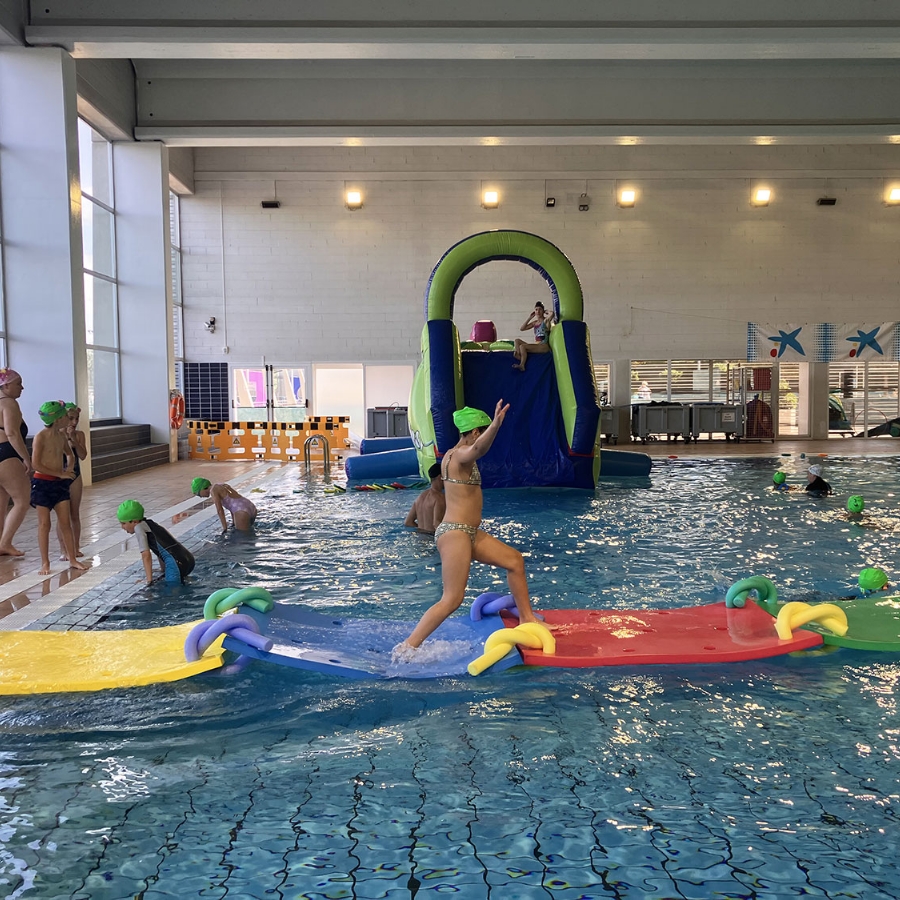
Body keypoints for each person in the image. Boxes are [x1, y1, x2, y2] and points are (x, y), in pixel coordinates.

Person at [393, 402, 539, 660]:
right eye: (480, 432)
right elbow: (479, 448)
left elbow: (478, 449)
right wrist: (496, 424)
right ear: (473, 433)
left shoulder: (457, 454)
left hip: (469, 532)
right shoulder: (459, 455)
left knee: (514, 561)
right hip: (455, 533)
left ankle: (527, 619)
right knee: (452, 598)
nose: (481, 437)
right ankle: (408, 646)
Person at [30, 400, 86, 576]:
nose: (68, 421)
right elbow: (35, 464)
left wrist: (68, 468)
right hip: (42, 484)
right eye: (64, 417)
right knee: (44, 524)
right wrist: (59, 473)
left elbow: (70, 455)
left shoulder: (62, 437)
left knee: (65, 523)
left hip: (58, 484)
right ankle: (45, 562)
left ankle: (72, 559)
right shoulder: (41, 436)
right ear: (57, 419)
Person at [117, 499, 195, 584]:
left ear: (135, 521)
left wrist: (149, 581)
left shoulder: (138, 528)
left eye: (123, 523)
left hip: (175, 564)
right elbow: (162, 548)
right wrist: (163, 570)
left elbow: (146, 555)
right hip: (188, 559)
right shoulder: (150, 523)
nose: (122, 527)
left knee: (171, 593)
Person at [0, 368, 33, 557]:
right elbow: (12, 433)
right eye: (18, 383)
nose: (22, 387)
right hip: (6, 454)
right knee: (22, 500)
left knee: (2, 500)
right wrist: (26, 458)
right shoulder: (9, 403)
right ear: (6, 386)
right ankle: (5, 543)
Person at [57, 402, 86, 560]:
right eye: (71, 418)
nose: (74, 422)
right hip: (59, 476)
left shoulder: (79, 434)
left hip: (75, 475)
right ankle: (63, 549)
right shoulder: (54, 435)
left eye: (77, 418)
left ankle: (75, 547)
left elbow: (83, 455)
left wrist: (74, 441)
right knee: (62, 515)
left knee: (74, 513)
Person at [191, 477, 258, 532]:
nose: (200, 496)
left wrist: (225, 528)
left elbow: (220, 510)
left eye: (198, 494)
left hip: (241, 511)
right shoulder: (219, 485)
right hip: (250, 506)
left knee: (242, 540)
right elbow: (232, 504)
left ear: (202, 488)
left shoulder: (213, 490)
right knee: (249, 533)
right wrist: (233, 522)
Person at [404, 463, 445, 534]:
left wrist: (423, 531)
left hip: (420, 539)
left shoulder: (420, 497)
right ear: (440, 477)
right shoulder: (439, 498)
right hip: (432, 540)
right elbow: (436, 524)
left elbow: (408, 522)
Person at [512, 301, 554, 371]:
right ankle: (519, 356)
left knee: (522, 346)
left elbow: (552, 314)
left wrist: (546, 311)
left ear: (542, 311)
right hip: (537, 345)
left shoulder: (545, 321)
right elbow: (522, 328)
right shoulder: (535, 323)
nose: (538, 311)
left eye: (540, 309)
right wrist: (529, 318)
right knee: (517, 341)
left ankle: (522, 365)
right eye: (536, 309)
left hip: (544, 346)